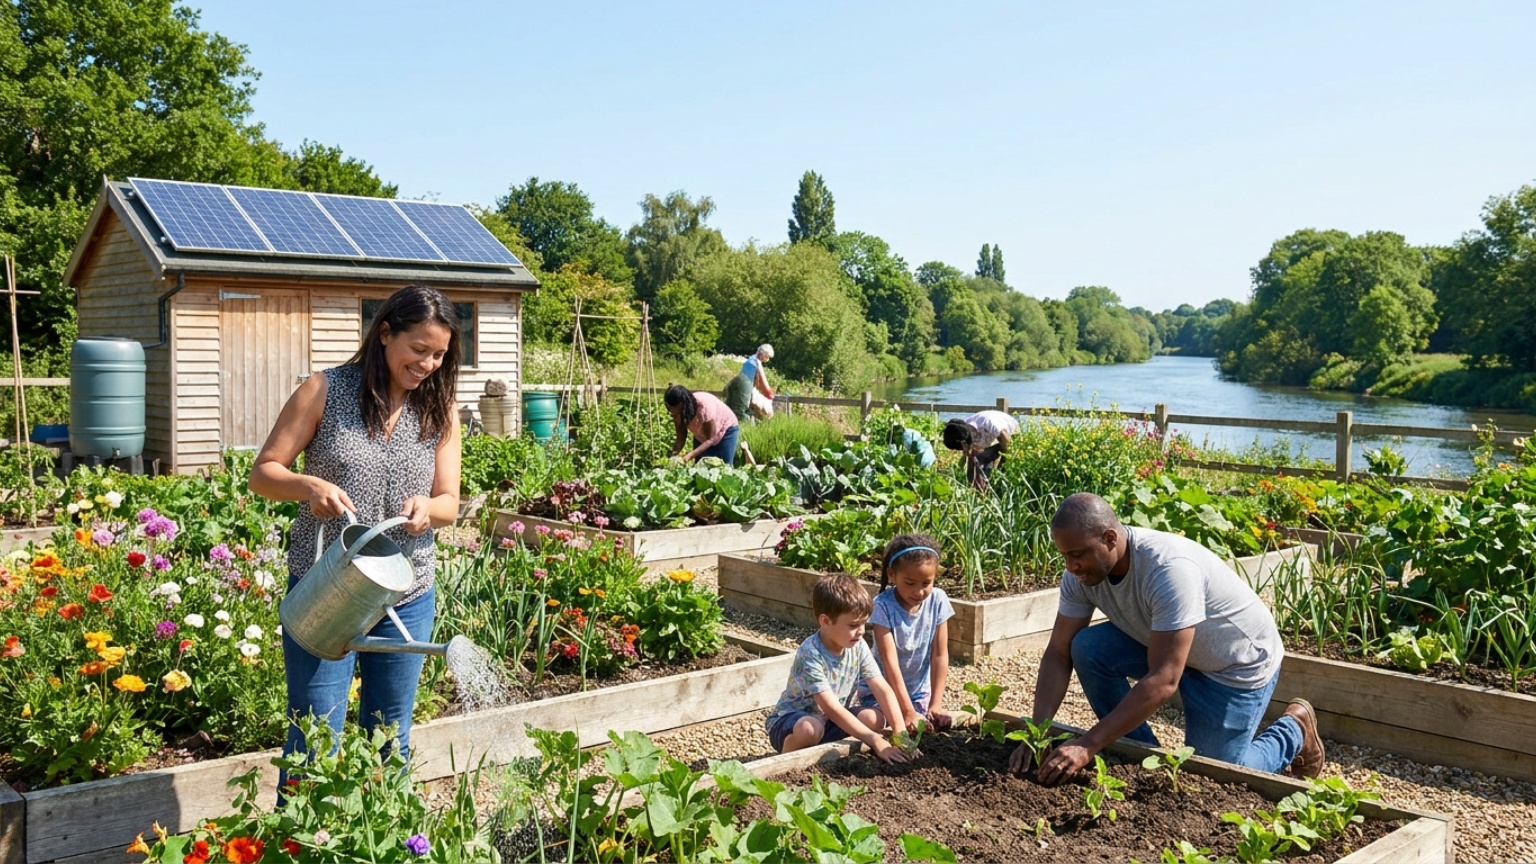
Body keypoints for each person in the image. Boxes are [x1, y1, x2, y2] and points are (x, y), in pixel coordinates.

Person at [249, 284, 462, 781]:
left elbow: (451, 502)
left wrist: (429, 507)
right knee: (313, 738)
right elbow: (264, 472)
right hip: (326, 588)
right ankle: (299, 848)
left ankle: (383, 843)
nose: (428, 364)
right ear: (385, 333)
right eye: (419, 350)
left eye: (439, 355)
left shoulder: (439, 408)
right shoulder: (324, 390)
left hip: (405, 592)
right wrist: (307, 485)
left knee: (389, 737)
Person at [1007, 493, 1323, 786]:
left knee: (1218, 774)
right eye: (1064, 556)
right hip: (1169, 645)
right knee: (1087, 648)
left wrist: (1088, 743)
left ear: (1110, 538)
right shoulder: (1080, 575)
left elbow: (1164, 678)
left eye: (1077, 555)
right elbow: (1058, 654)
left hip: (1233, 663)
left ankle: (1294, 730)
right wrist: (1038, 732)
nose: (1070, 566)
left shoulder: (1168, 570)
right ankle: (1143, 754)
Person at [765, 573, 911, 762]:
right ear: (825, 621)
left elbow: (881, 687)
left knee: (874, 718)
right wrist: (874, 740)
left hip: (829, 722)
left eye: (864, 623)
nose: (861, 631)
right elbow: (831, 707)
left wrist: (900, 731)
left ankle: (824, 755)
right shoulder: (810, 653)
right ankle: (785, 764)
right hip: (791, 722)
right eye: (853, 625)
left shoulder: (857, 646)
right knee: (809, 729)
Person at [856, 533, 955, 732]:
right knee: (873, 721)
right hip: (883, 694)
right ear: (892, 575)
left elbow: (939, 655)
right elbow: (889, 663)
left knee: (928, 726)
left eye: (926, 583)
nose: (919, 592)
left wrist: (936, 704)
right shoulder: (883, 606)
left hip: (919, 694)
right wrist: (906, 710)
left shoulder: (938, 600)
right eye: (910, 583)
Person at [664, 384, 741, 465]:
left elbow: (710, 439)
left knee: (724, 467)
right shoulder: (677, 412)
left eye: (671, 408)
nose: (670, 412)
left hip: (725, 430)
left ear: (680, 404)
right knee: (700, 468)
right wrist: (674, 456)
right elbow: (681, 437)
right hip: (702, 435)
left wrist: (690, 455)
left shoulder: (703, 407)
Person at [941, 409, 1019, 488]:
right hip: (989, 439)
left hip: (1010, 434)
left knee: (1002, 467)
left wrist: (1008, 459)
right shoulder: (961, 431)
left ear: (963, 442)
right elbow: (972, 459)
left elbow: (1008, 443)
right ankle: (977, 489)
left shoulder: (989, 424)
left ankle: (997, 486)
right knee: (977, 461)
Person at [742, 344, 776, 419]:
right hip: (748, 392)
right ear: (762, 354)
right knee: (767, 413)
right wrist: (770, 394)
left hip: (744, 390)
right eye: (767, 357)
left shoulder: (750, 360)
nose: (767, 359)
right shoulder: (756, 363)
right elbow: (763, 382)